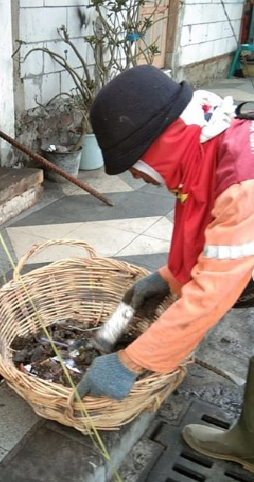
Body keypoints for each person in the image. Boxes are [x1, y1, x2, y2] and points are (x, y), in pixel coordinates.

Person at [76, 65, 254, 473]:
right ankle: (249, 440)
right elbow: (205, 235)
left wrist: (130, 362)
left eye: (135, 163)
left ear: (160, 144)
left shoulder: (243, 181)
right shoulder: (206, 147)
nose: (138, 175)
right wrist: (170, 277)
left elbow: (211, 295)